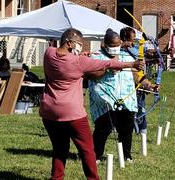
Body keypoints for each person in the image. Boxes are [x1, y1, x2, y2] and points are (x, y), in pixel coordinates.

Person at [39, 28, 143, 180]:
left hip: (48, 112)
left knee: (59, 148)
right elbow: (108, 63)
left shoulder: (48, 53)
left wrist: (80, 54)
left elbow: (62, 57)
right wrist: (132, 63)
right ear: (69, 43)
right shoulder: (79, 62)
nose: (81, 47)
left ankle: (56, 178)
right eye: (79, 44)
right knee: (87, 149)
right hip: (72, 113)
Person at [88, 29, 139, 164]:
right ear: (104, 44)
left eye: (117, 45)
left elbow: (135, 76)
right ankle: (96, 156)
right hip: (105, 101)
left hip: (127, 100)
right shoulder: (96, 57)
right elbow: (89, 75)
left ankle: (126, 156)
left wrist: (147, 85)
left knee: (126, 130)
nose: (115, 48)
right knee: (103, 129)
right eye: (112, 45)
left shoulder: (127, 57)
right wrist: (107, 69)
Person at [120, 27, 155, 134]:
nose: (135, 37)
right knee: (126, 109)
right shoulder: (117, 49)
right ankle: (126, 128)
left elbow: (151, 53)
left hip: (139, 80)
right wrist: (121, 45)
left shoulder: (137, 47)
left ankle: (142, 130)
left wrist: (163, 51)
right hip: (126, 82)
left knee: (141, 106)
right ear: (125, 37)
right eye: (133, 35)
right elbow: (105, 47)